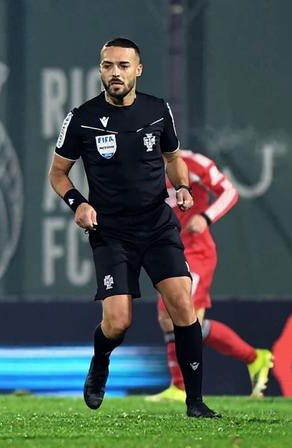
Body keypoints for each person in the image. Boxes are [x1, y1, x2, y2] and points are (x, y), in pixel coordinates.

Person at [48, 37, 219, 417]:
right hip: (111, 232)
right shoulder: (82, 118)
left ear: (138, 70)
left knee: (181, 304)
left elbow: (174, 159)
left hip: (157, 225)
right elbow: (58, 174)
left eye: (123, 66)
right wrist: (79, 203)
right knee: (118, 322)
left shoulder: (158, 111)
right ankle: (101, 360)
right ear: (100, 70)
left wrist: (184, 188)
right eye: (108, 66)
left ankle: (195, 402)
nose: (115, 73)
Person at [147, 150, 273, 401]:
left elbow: (230, 191)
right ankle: (254, 359)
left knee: (177, 316)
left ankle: (184, 389)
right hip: (170, 251)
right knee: (177, 321)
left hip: (196, 252)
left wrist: (206, 217)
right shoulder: (143, 165)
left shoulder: (191, 162)